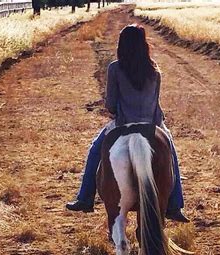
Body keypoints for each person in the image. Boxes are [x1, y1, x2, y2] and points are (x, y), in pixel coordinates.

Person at [66, 24, 189, 223]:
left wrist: (116, 111)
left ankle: (85, 197)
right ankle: (174, 205)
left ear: (122, 45)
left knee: (95, 151)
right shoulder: (154, 69)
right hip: (153, 124)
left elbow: (111, 104)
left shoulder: (115, 68)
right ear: (144, 44)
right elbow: (155, 102)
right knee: (171, 154)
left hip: (124, 125)